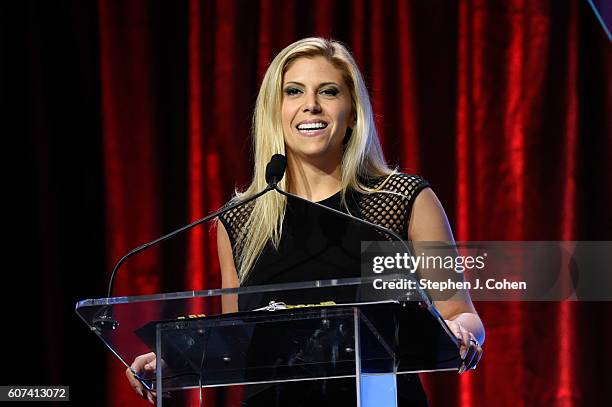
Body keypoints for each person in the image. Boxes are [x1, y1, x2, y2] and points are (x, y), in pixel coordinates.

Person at [127, 37, 484, 406]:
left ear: (353, 112)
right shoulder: (241, 220)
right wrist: (174, 362)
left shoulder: (402, 201)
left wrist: (461, 331)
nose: (310, 105)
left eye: (328, 92)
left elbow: (460, 313)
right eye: (293, 92)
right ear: (274, 111)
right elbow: (233, 343)